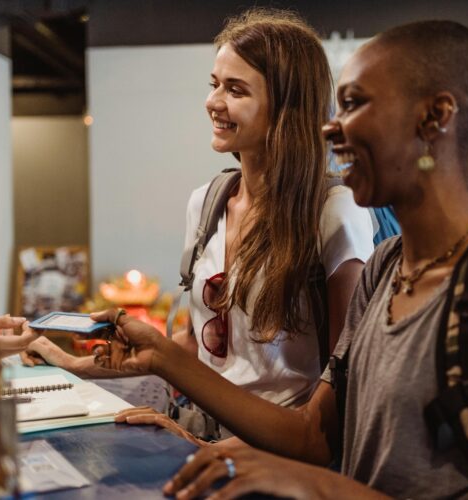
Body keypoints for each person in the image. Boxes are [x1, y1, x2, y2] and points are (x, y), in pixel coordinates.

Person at [45, 19, 468, 499]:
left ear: (435, 117)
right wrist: (163, 360)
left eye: (355, 104)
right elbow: (318, 434)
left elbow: (319, 451)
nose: (331, 127)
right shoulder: (386, 268)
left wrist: (307, 480)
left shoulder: (466, 283)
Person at [25, 8, 373, 418]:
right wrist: (72, 363)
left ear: (286, 107)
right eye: (214, 84)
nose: (213, 102)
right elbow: (197, 346)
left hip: (280, 450)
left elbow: (343, 384)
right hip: (199, 426)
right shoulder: (206, 202)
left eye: (235, 90)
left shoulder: (334, 211)